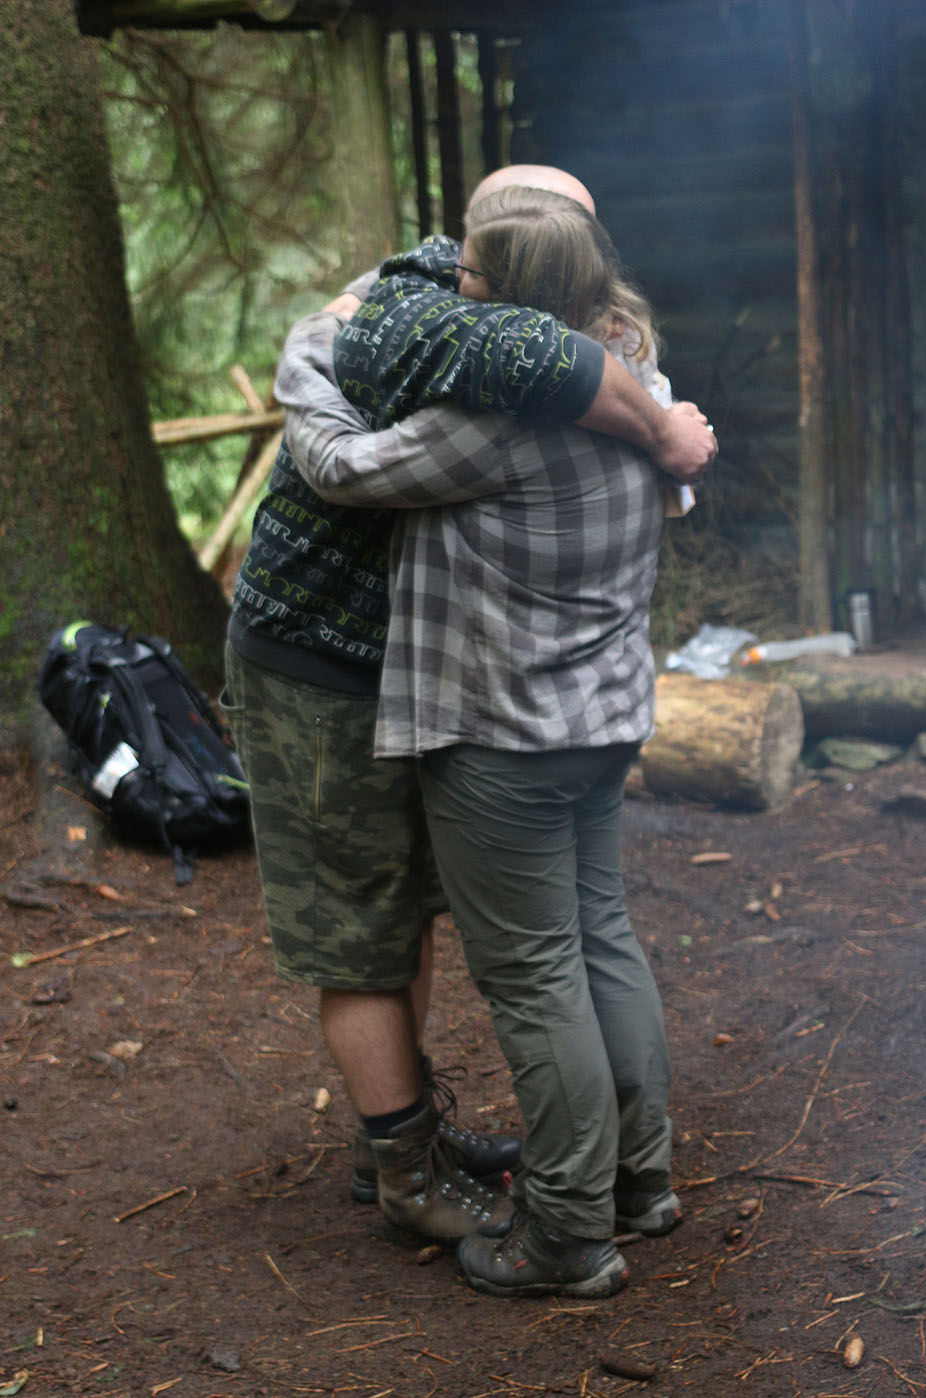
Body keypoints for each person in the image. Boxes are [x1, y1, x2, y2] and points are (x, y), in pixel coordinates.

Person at [228, 164, 715, 1250]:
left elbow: (342, 464)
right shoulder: (642, 372)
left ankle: (563, 1226)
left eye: (478, 259)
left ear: (495, 279)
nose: (458, 266)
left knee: (531, 971)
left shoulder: (494, 415)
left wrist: (305, 354)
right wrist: (670, 429)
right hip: (563, 713)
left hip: (500, 731)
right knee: (568, 940)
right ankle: (618, 1181)